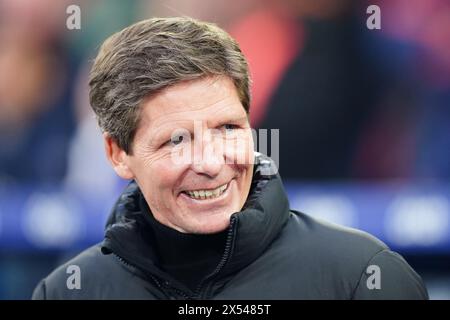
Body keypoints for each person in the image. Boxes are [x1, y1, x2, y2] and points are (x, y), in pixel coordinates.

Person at [32, 17, 428, 300]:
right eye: (176, 140)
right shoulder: (69, 290)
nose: (210, 162)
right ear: (118, 154)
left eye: (228, 129)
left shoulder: (363, 278)